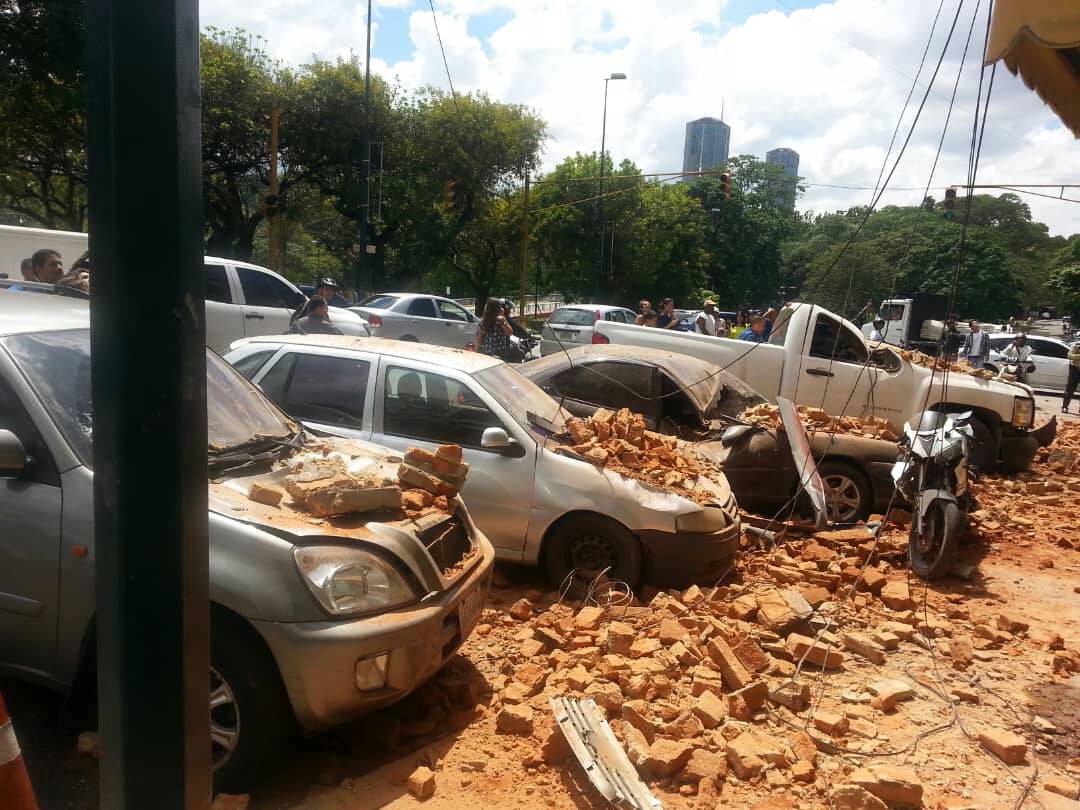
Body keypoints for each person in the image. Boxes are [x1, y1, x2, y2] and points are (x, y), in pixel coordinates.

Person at [1064, 342, 1080, 413]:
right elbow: (1069, 356)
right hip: (1075, 369)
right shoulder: (1076, 345)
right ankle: (1065, 407)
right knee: (1069, 389)